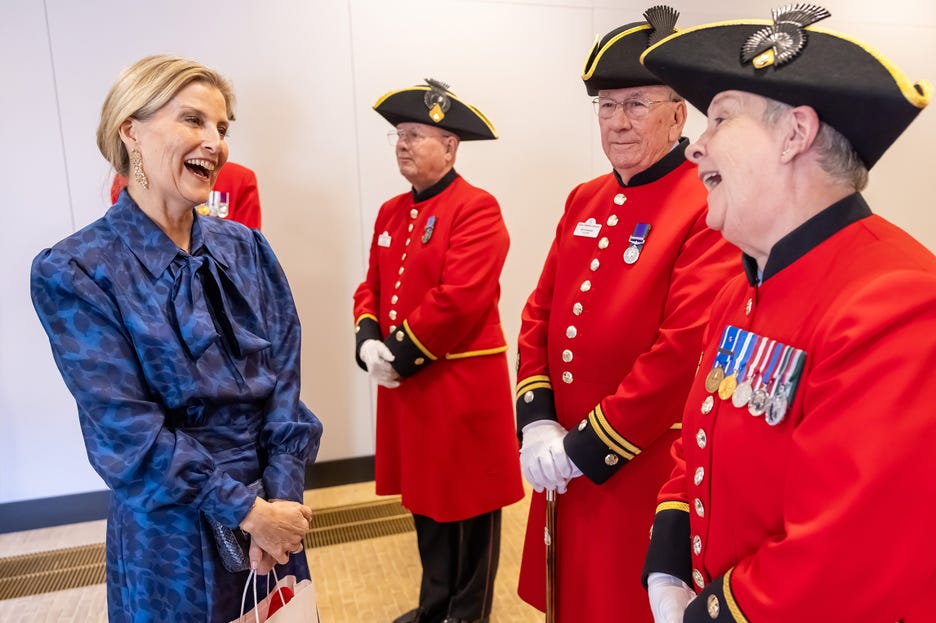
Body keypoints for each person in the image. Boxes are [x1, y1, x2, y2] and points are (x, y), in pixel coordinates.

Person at [638, 5, 936, 622]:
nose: (697, 146)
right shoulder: (743, 291)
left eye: (719, 119)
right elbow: (698, 447)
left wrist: (705, 615)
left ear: (796, 133)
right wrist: (668, 563)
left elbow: (845, 560)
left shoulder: (902, 303)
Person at [30, 55, 323, 622]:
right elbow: (127, 433)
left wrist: (281, 503)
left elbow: (285, 385)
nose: (214, 141)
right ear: (130, 130)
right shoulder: (76, 270)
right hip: (172, 533)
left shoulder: (247, 249)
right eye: (193, 120)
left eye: (222, 127)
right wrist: (246, 511)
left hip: (270, 519)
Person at [514, 7, 742, 622]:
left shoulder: (703, 202)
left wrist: (587, 447)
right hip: (560, 459)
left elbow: (682, 351)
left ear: (678, 112)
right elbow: (539, 312)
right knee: (568, 604)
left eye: (637, 103)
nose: (618, 122)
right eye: (606, 105)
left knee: (618, 606)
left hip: (633, 467)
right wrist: (536, 421)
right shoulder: (585, 198)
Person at [352, 79, 524, 623]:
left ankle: (467, 614)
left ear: (449, 146)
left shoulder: (477, 208)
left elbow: (460, 299)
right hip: (412, 389)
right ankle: (435, 607)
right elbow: (371, 286)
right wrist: (367, 338)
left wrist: (395, 353)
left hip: (459, 389)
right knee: (426, 504)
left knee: (470, 511)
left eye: (416, 135)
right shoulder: (390, 212)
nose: (402, 144)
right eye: (398, 135)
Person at [110, 160, 263, 229]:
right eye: (192, 121)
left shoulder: (239, 179)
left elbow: (245, 253)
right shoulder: (131, 179)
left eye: (222, 130)